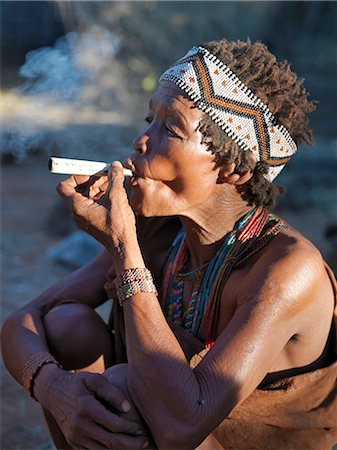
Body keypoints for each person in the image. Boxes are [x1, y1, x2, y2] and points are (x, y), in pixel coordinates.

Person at [1, 38, 336, 450]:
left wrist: (125, 252)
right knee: (66, 326)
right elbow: (24, 320)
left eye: (170, 129)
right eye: (148, 120)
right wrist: (53, 389)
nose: (141, 142)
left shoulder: (286, 270)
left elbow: (182, 426)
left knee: (125, 385)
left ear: (230, 168)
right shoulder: (162, 229)